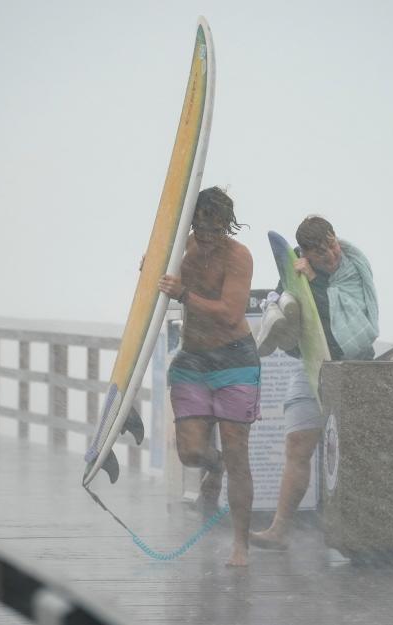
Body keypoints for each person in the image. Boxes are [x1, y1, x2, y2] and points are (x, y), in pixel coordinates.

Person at [250, 216, 379, 550]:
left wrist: (318, 282)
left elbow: (352, 319)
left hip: (353, 367)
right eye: (321, 254)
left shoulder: (353, 268)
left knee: (355, 451)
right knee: (297, 446)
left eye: (332, 245)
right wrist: (300, 286)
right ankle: (279, 530)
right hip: (310, 365)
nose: (331, 256)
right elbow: (297, 313)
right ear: (306, 253)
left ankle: (363, 530)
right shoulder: (294, 269)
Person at [157, 186, 259, 567]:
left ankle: (240, 546)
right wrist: (150, 268)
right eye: (201, 227)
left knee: (238, 455)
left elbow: (232, 313)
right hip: (194, 359)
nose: (208, 237)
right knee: (190, 452)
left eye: (216, 230)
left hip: (235, 359)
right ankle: (211, 466)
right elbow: (156, 272)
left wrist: (183, 294)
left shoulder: (238, 256)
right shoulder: (182, 247)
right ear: (193, 222)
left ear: (227, 226)